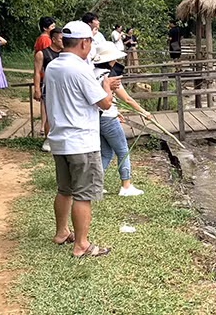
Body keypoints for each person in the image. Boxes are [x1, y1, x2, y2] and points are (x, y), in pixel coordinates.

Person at [45, 20, 120, 258]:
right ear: (85, 42)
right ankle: (82, 244)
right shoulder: (80, 69)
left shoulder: (53, 66)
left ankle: (61, 232)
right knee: (83, 194)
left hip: (60, 139)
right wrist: (107, 85)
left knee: (64, 189)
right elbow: (105, 103)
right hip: (81, 141)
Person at [92, 42, 150, 196]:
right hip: (108, 119)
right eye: (115, 59)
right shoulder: (110, 77)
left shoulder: (92, 73)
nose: (116, 62)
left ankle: (95, 184)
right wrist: (144, 112)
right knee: (123, 150)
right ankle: (126, 186)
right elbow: (127, 99)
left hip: (97, 117)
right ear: (110, 60)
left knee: (106, 153)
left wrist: (115, 111)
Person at [33, 28, 63, 152]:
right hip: (49, 87)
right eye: (61, 39)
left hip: (64, 87)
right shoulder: (42, 54)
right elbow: (37, 72)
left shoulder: (66, 53)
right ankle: (48, 139)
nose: (63, 42)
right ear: (54, 39)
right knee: (50, 114)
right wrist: (37, 89)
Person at [34, 16, 56, 139]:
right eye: (52, 27)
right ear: (45, 28)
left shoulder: (40, 38)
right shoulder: (46, 40)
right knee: (46, 102)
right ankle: (44, 126)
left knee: (45, 101)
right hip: (45, 73)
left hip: (44, 73)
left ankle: (43, 126)